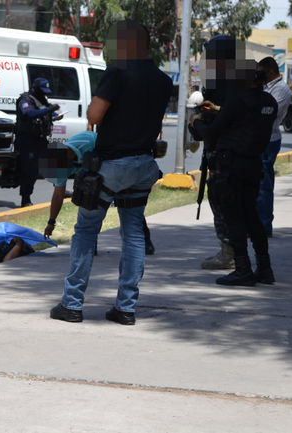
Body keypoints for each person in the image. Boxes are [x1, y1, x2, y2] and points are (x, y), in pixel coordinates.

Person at [49, 20, 172, 325]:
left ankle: (72, 304)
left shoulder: (117, 71)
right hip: (144, 165)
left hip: (112, 166)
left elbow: (94, 115)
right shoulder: (162, 80)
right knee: (133, 234)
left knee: (85, 232)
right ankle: (126, 308)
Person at [190, 36, 277, 287]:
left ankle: (243, 269)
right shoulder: (268, 102)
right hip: (253, 165)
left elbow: (211, 133)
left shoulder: (238, 100)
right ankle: (265, 268)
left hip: (230, 167)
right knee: (252, 217)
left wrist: (196, 122)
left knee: (234, 219)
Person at [41, 130, 156, 255]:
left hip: (116, 166)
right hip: (96, 176)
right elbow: (58, 195)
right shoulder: (60, 164)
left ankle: (145, 241)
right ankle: (90, 245)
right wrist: (51, 222)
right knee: (89, 202)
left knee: (127, 204)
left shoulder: (88, 141)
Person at [256, 57, 291, 237]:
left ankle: (264, 226)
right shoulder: (264, 86)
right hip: (257, 139)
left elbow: (267, 112)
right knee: (253, 184)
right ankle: (254, 224)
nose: (258, 76)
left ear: (270, 72)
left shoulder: (281, 89)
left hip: (269, 140)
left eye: (261, 73)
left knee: (264, 184)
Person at [14, 77, 62, 207]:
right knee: (30, 170)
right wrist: (48, 110)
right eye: (42, 91)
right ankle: (25, 198)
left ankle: (60, 190)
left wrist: (55, 115)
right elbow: (29, 114)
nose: (44, 94)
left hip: (40, 139)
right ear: (34, 88)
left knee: (54, 162)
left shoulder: (42, 99)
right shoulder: (25, 99)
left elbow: (47, 112)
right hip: (26, 140)